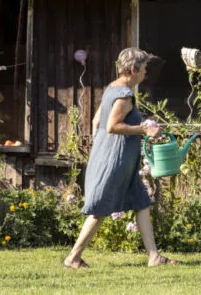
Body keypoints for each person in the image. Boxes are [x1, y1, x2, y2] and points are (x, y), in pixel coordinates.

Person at [64, 47, 180, 268]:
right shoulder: (125, 95)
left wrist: (102, 147)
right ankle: (73, 257)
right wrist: (144, 130)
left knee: (141, 202)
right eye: (144, 69)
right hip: (115, 161)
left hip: (116, 158)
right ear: (133, 69)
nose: (146, 73)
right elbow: (112, 126)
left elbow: (97, 122)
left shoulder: (111, 89)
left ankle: (154, 257)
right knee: (100, 209)